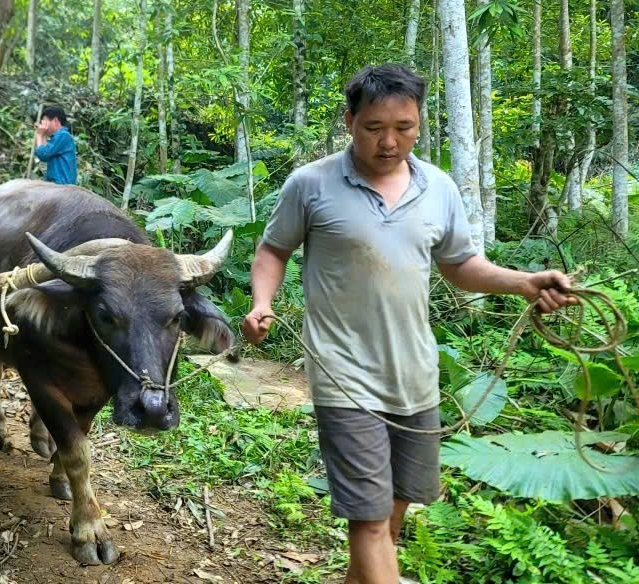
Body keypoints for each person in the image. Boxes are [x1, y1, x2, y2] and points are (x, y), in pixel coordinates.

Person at [240, 64, 573, 584]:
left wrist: (526, 282)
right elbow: (273, 249)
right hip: (344, 376)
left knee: (393, 515)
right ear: (349, 121)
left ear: (420, 123)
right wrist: (262, 302)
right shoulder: (311, 184)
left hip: (416, 375)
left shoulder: (438, 187)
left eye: (404, 127)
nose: (390, 142)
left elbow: (461, 265)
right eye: (374, 128)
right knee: (370, 523)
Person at [33, 105, 78, 185]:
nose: (43, 125)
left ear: (55, 121)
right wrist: (43, 134)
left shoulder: (63, 135)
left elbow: (43, 154)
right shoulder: (59, 137)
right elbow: (45, 155)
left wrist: (39, 135)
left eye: (45, 121)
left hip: (63, 187)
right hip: (59, 186)